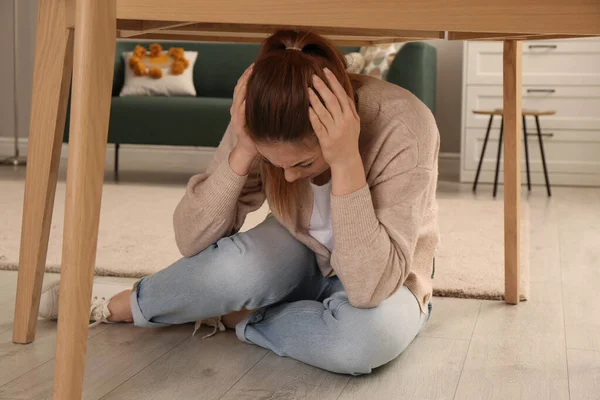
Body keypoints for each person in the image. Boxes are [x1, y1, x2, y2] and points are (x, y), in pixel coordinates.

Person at [39, 30, 440, 375]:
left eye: (303, 162)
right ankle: (121, 305)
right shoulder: (257, 119)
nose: (287, 177)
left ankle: (240, 316)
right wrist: (244, 150)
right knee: (228, 271)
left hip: (388, 277)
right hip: (300, 252)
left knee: (361, 343)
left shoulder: (404, 124)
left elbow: (371, 289)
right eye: (273, 162)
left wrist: (346, 160)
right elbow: (191, 239)